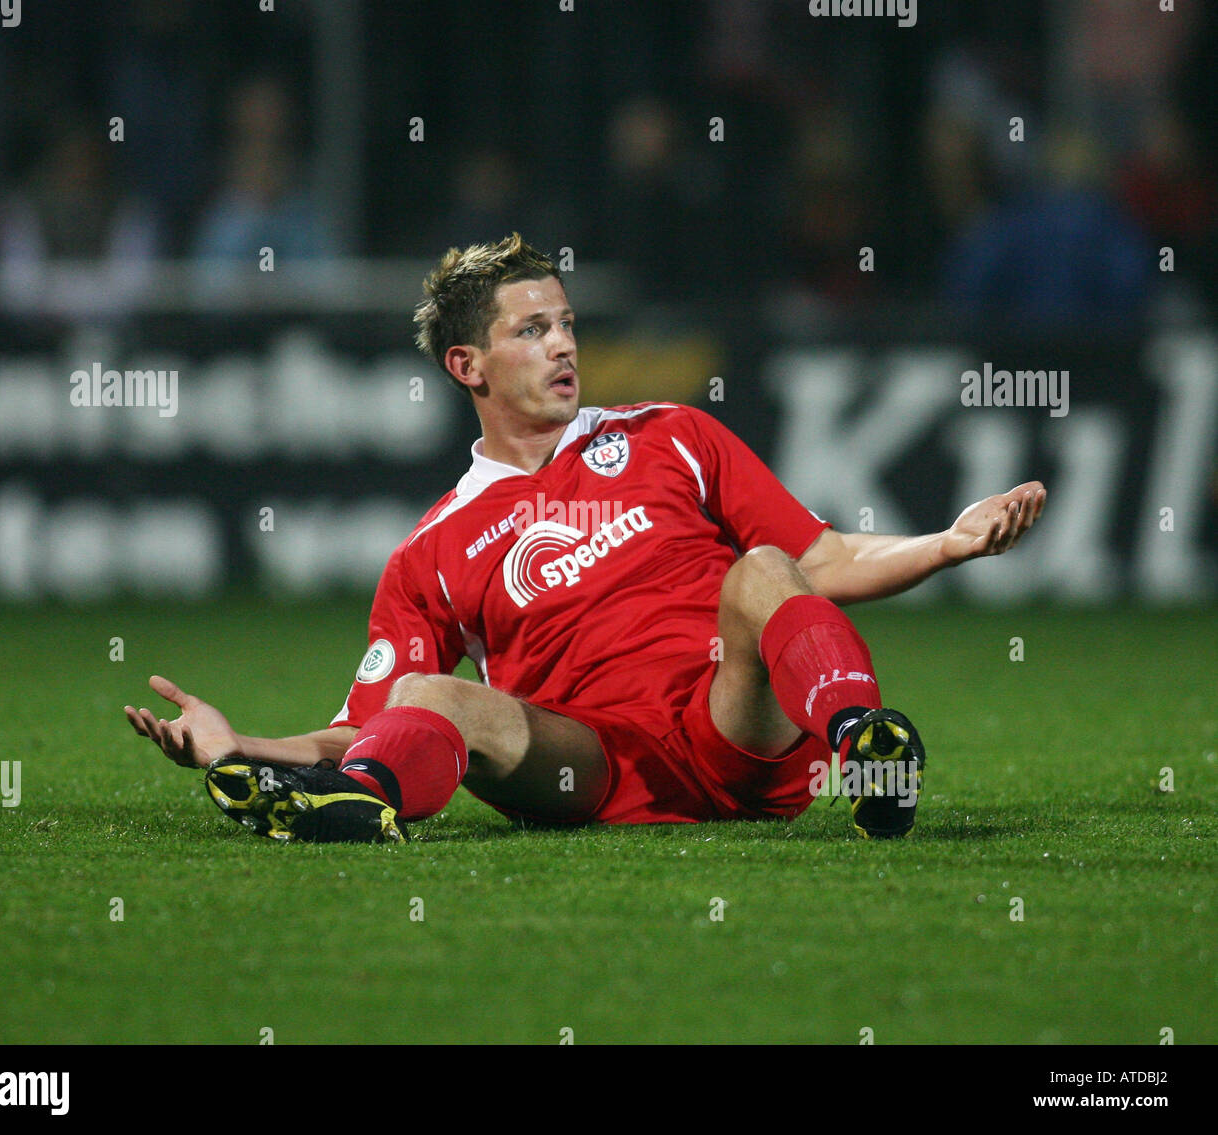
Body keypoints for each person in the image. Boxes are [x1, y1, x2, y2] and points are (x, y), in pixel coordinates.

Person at [124, 233, 1045, 843]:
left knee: (761, 567)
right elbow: (367, 725)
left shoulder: (672, 434)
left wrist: (948, 543)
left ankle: (868, 751)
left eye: (566, 323)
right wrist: (238, 744)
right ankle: (355, 812)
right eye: (533, 329)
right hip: (590, 765)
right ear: (468, 365)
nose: (564, 344)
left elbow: (823, 561)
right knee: (430, 690)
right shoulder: (430, 551)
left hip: (734, 728)